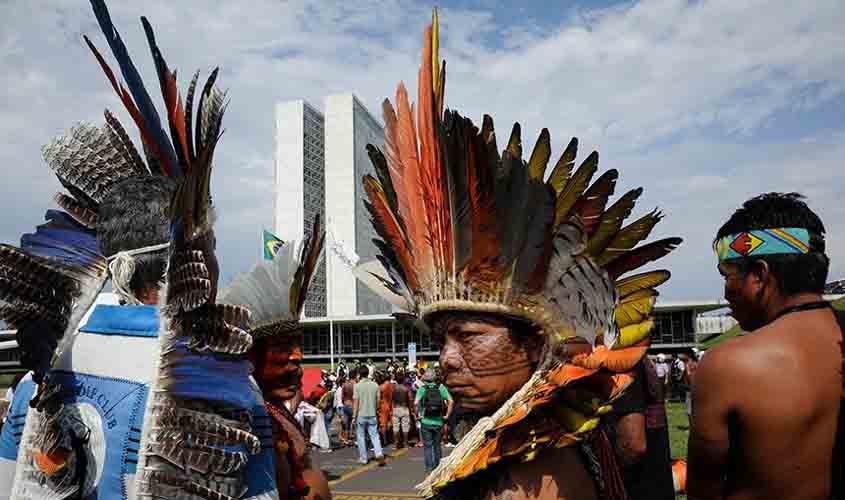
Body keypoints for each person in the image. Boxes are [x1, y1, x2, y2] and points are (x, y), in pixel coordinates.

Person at [349, 10, 681, 499]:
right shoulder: (525, 447)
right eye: (442, 340)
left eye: (467, 336)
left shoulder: (526, 478)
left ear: (534, 346)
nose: (447, 360)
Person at [0, 5, 278, 497]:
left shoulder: (30, 385)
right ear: (192, 265)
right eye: (206, 248)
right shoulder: (218, 382)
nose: (213, 266)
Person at [688, 192, 841, 500]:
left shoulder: (727, 366)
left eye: (727, 275)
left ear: (759, 275)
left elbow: (704, 493)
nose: (726, 292)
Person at [223, 213, 330, 499]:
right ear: (250, 356)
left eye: (297, 345)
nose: (297, 357)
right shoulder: (239, 422)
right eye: (283, 347)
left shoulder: (275, 413)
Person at [611, 357, 675, 499]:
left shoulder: (622, 360)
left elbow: (632, 445)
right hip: (655, 481)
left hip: (637, 485)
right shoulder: (638, 359)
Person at [415, 369, 453, 473]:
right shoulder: (441, 388)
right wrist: (447, 415)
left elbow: (415, 403)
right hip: (438, 422)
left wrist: (418, 415)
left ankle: (429, 470)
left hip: (426, 422)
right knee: (437, 446)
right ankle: (438, 469)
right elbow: (451, 401)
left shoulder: (422, 389)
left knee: (427, 447)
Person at [353, 365, 385, 466]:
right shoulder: (375, 385)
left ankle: (363, 458)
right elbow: (378, 400)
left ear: (359, 374)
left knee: (361, 437)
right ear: (368, 373)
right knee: (375, 435)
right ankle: (379, 453)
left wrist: (354, 416)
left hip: (361, 414)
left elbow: (356, 402)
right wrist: (375, 409)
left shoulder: (357, 386)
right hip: (372, 413)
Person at [391, 372, 414, 449]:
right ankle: (405, 443)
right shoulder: (406, 389)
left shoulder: (394, 389)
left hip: (396, 408)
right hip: (404, 408)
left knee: (395, 428)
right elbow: (410, 398)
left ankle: (396, 443)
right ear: (403, 380)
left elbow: (392, 399)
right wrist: (411, 408)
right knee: (405, 427)